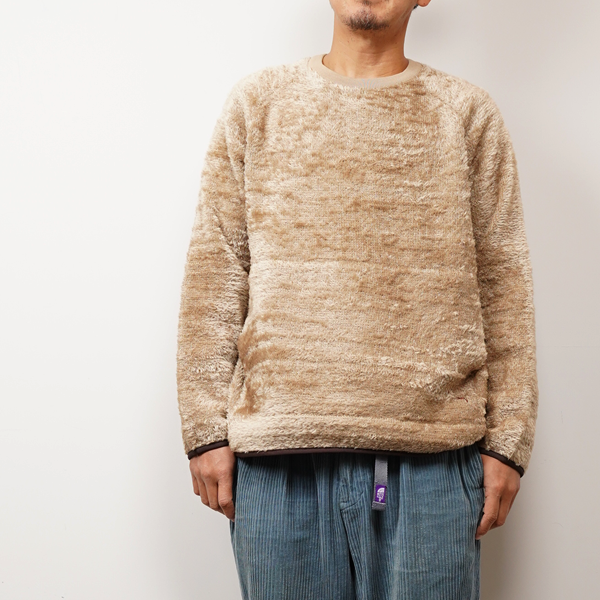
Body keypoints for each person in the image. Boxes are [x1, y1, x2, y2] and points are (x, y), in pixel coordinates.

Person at [176, 1, 539, 598]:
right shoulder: (258, 103)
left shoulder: (467, 114)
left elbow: (504, 285)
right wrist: (205, 431)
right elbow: (215, 271)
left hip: (433, 457)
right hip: (278, 455)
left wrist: (509, 442)